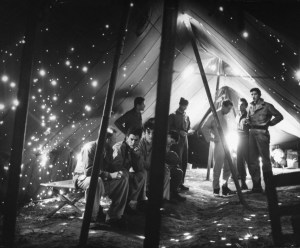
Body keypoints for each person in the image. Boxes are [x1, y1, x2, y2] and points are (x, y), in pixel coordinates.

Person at [73, 128, 129, 226]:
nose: (115, 141)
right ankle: (91, 218)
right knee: (96, 180)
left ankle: (114, 216)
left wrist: (121, 171)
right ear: (107, 139)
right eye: (113, 139)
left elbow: (111, 166)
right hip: (83, 179)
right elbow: (89, 171)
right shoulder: (90, 148)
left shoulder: (108, 149)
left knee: (123, 180)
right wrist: (109, 175)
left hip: (100, 179)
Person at [246, 88, 283, 193]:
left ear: (259, 94)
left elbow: (279, 116)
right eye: (252, 94)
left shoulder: (267, 106)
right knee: (253, 161)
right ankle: (256, 186)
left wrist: (270, 123)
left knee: (265, 161)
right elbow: (248, 118)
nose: (253, 96)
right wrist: (247, 121)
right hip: (251, 133)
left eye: (255, 94)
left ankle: (269, 186)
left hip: (262, 133)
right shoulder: (250, 106)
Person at [201, 99, 235, 196]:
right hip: (219, 144)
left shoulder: (225, 116)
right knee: (218, 167)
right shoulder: (214, 116)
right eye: (228, 108)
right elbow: (204, 127)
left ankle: (225, 188)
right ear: (223, 106)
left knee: (228, 166)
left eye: (230, 109)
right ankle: (216, 189)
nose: (229, 111)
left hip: (227, 143)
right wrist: (211, 138)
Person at [111, 127, 147, 211]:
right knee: (126, 176)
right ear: (127, 137)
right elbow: (116, 167)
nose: (133, 142)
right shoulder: (119, 147)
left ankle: (128, 202)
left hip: (126, 174)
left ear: (139, 139)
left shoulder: (135, 149)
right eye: (131, 139)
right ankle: (119, 207)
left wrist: (136, 155)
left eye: (136, 140)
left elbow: (139, 168)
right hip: (115, 176)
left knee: (142, 174)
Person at [137, 118, 171, 201]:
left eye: (153, 133)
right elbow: (140, 162)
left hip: (152, 168)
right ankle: (142, 200)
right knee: (143, 173)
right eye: (148, 133)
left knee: (166, 172)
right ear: (144, 133)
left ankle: (163, 199)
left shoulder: (157, 144)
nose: (151, 135)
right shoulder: (139, 143)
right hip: (141, 169)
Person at [168, 97, 191, 192]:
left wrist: (186, 132)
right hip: (177, 141)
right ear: (180, 104)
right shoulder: (173, 115)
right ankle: (175, 184)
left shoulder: (186, 116)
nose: (185, 108)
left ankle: (181, 182)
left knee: (184, 160)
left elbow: (188, 126)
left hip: (185, 140)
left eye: (186, 106)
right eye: (183, 105)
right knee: (178, 160)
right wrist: (178, 131)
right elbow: (168, 128)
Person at [165, 130, 186, 202]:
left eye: (173, 143)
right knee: (167, 173)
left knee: (179, 172)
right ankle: (166, 197)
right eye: (171, 141)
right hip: (160, 168)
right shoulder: (160, 143)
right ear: (168, 136)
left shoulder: (168, 145)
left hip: (166, 166)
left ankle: (173, 193)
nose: (171, 144)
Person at [236, 98, 250, 190]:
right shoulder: (237, 116)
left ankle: (257, 184)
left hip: (246, 140)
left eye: (242, 104)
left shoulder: (248, 116)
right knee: (239, 162)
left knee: (249, 162)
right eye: (239, 104)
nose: (239, 106)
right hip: (238, 140)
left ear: (245, 106)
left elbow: (250, 128)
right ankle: (243, 183)